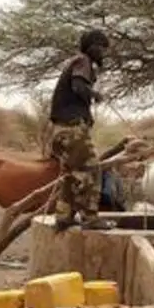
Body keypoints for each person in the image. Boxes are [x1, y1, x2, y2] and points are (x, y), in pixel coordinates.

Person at [47, 28, 114, 232]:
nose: (103, 53)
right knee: (91, 169)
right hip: (71, 128)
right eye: (101, 48)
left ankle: (63, 216)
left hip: (60, 129)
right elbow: (78, 86)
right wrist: (95, 94)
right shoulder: (82, 61)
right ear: (92, 47)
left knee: (70, 174)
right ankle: (90, 217)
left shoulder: (78, 62)